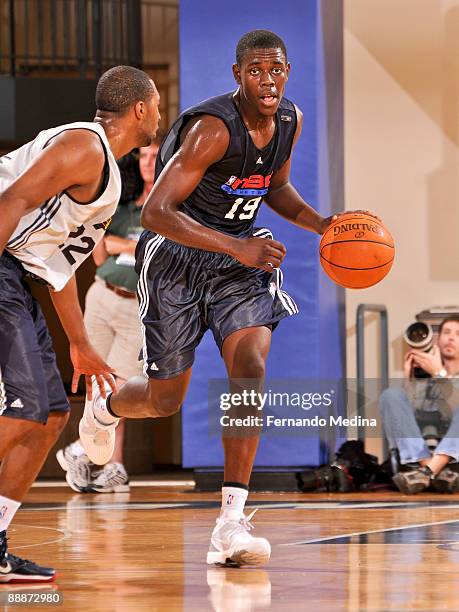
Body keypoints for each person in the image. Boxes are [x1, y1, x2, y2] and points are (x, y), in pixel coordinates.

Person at [79, 30, 367, 567]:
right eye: (256, 71)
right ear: (238, 76)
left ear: (287, 72)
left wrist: (321, 223)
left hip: (238, 265)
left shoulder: (289, 122)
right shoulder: (212, 130)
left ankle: (230, 521)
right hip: (176, 262)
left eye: (276, 70)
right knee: (167, 400)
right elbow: (157, 213)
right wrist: (237, 246)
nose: (268, 80)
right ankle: (105, 408)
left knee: (251, 367)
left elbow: (274, 187)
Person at [0, 65, 160, 582]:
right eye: (157, 105)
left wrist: (80, 343)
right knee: (24, 411)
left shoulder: (107, 178)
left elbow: (57, 265)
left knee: (48, 415)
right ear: (140, 109)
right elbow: (11, 201)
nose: (159, 114)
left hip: (18, 272)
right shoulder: (85, 146)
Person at [57, 141, 161, 493]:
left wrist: (126, 245)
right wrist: (118, 243)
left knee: (120, 383)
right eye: (144, 156)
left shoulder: (168, 208)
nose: (148, 162)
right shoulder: (124, 206)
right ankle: (106, 463)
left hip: (136, 305)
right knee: (96, 381)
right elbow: (100, 256)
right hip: (102, 295)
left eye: (154, 157)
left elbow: (159, 255)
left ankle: (85, 452)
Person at [380, 316, 459, 494]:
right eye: (446, 332)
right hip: (422, 451)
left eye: (458, 334)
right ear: (437, 340)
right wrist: (408, 378)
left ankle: (427, 472)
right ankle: (431, 470)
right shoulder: (423, 373)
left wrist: (439, 374)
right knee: (391, 395)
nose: (451, 338)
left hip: (454, 458)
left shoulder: (436, 372)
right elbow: (403, 414)